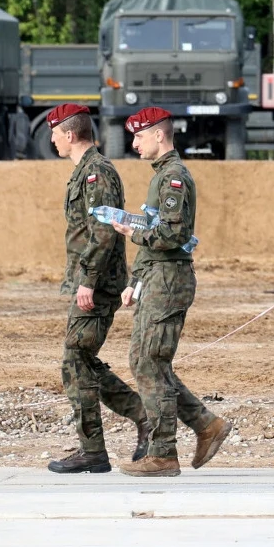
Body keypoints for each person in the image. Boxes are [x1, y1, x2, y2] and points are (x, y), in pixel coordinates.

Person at [109, 107, 232, 477]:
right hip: (158, 276)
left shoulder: (173, 178)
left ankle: (164, 453)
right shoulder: (161, 177)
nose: (134, 143)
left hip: (170, 279)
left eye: (139, 136)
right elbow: (155, 233)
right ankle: (205, 424)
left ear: (159, 136)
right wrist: (136, 281)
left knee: (147, 363)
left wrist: (134, 234)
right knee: (151, 362)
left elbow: (173, 236)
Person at [45, 104, 150, 474]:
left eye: (55, 133)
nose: (52, 139)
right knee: (81, 359)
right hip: (87, 280)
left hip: (98, 283)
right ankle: (140, 417)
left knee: (75, 358)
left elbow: (104, 230)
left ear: (70, 134)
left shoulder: (97, 173)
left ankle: (95, 449)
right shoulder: (83, 173)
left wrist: (88, 280)